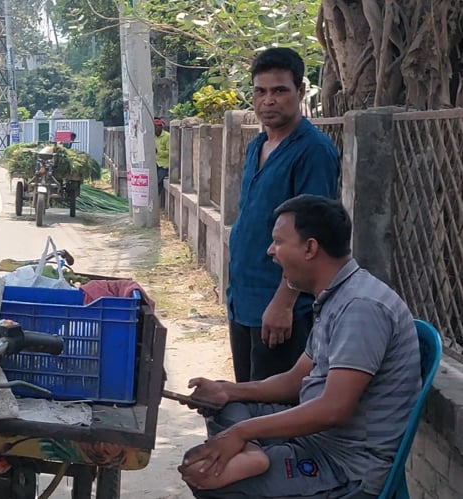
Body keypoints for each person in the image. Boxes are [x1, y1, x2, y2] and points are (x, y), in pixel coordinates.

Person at [179, 195, 421, 499]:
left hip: (344, 467)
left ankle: (250, 455)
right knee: (224, 407)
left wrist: (241, 432)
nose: (271, 251)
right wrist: (227, 390)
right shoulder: (336, 295)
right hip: (315, 438)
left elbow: (334, 409)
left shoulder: (360, 308)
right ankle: (252, 453)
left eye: (278, 241)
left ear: (310, 248)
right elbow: (295, 381)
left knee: (209, 476)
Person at [226, 47, 340, 383]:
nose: (268, 101)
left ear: (301, 91)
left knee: (274, 412)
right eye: (260, 92)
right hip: (243, 303)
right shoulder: (256, 146)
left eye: (279, 91)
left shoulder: (313, 151)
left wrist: (284, 302)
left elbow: (311, 237)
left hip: (280, 310)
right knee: (246, 399)